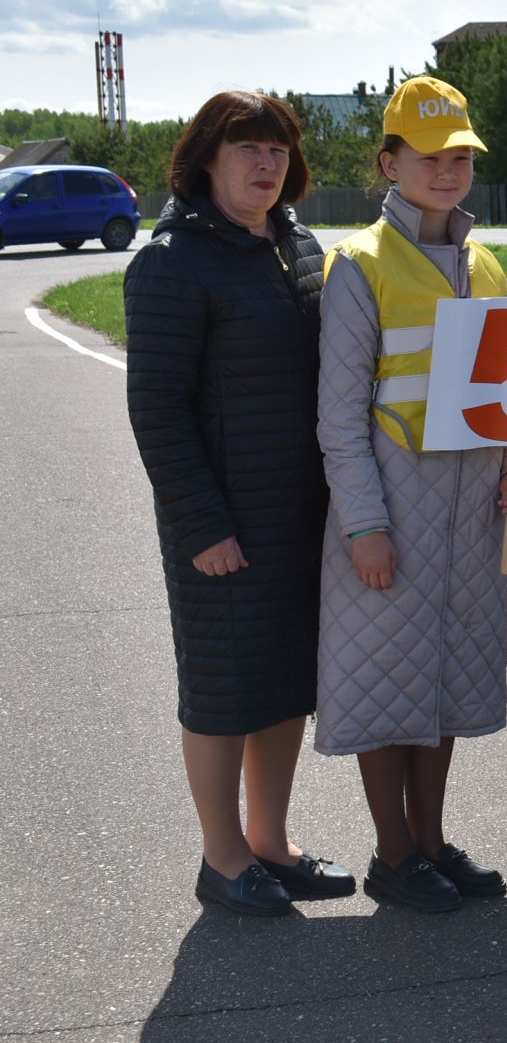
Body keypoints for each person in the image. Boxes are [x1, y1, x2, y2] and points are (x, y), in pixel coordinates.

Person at [125, 91, 353, 916]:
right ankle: (221, 857)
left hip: (301, 509)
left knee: (283, 681)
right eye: (248, 148)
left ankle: (270, 842)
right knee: (223, 689)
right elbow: (157, 408)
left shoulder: (296, 244)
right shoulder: (172, 260)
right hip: (223, 517)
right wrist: (202, 524)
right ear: (207, 157)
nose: (266, 164)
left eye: (278, 151)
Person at [315, 76, 507, 911]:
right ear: (389, 161)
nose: (449, 168)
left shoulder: (487, 264)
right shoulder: (358, 263)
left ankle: (431, 840)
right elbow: (339, 416)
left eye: (462, 154)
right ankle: (391, 853)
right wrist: (364, 523)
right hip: (392, 502)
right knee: (386, 684)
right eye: (430, 156)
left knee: (441, 684)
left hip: (472, 506)